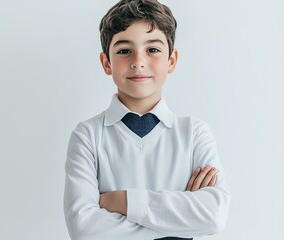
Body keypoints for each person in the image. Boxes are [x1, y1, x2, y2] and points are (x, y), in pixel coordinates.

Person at [63, 0, 231, 239]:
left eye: (152, 49)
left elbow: (213, 216)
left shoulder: (194, 133)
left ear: (171, 61)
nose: (138, 61)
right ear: (106, 63)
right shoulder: (88, 135)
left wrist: (123, 201)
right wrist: (181, 217)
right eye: (124, 50)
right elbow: (85, 230)